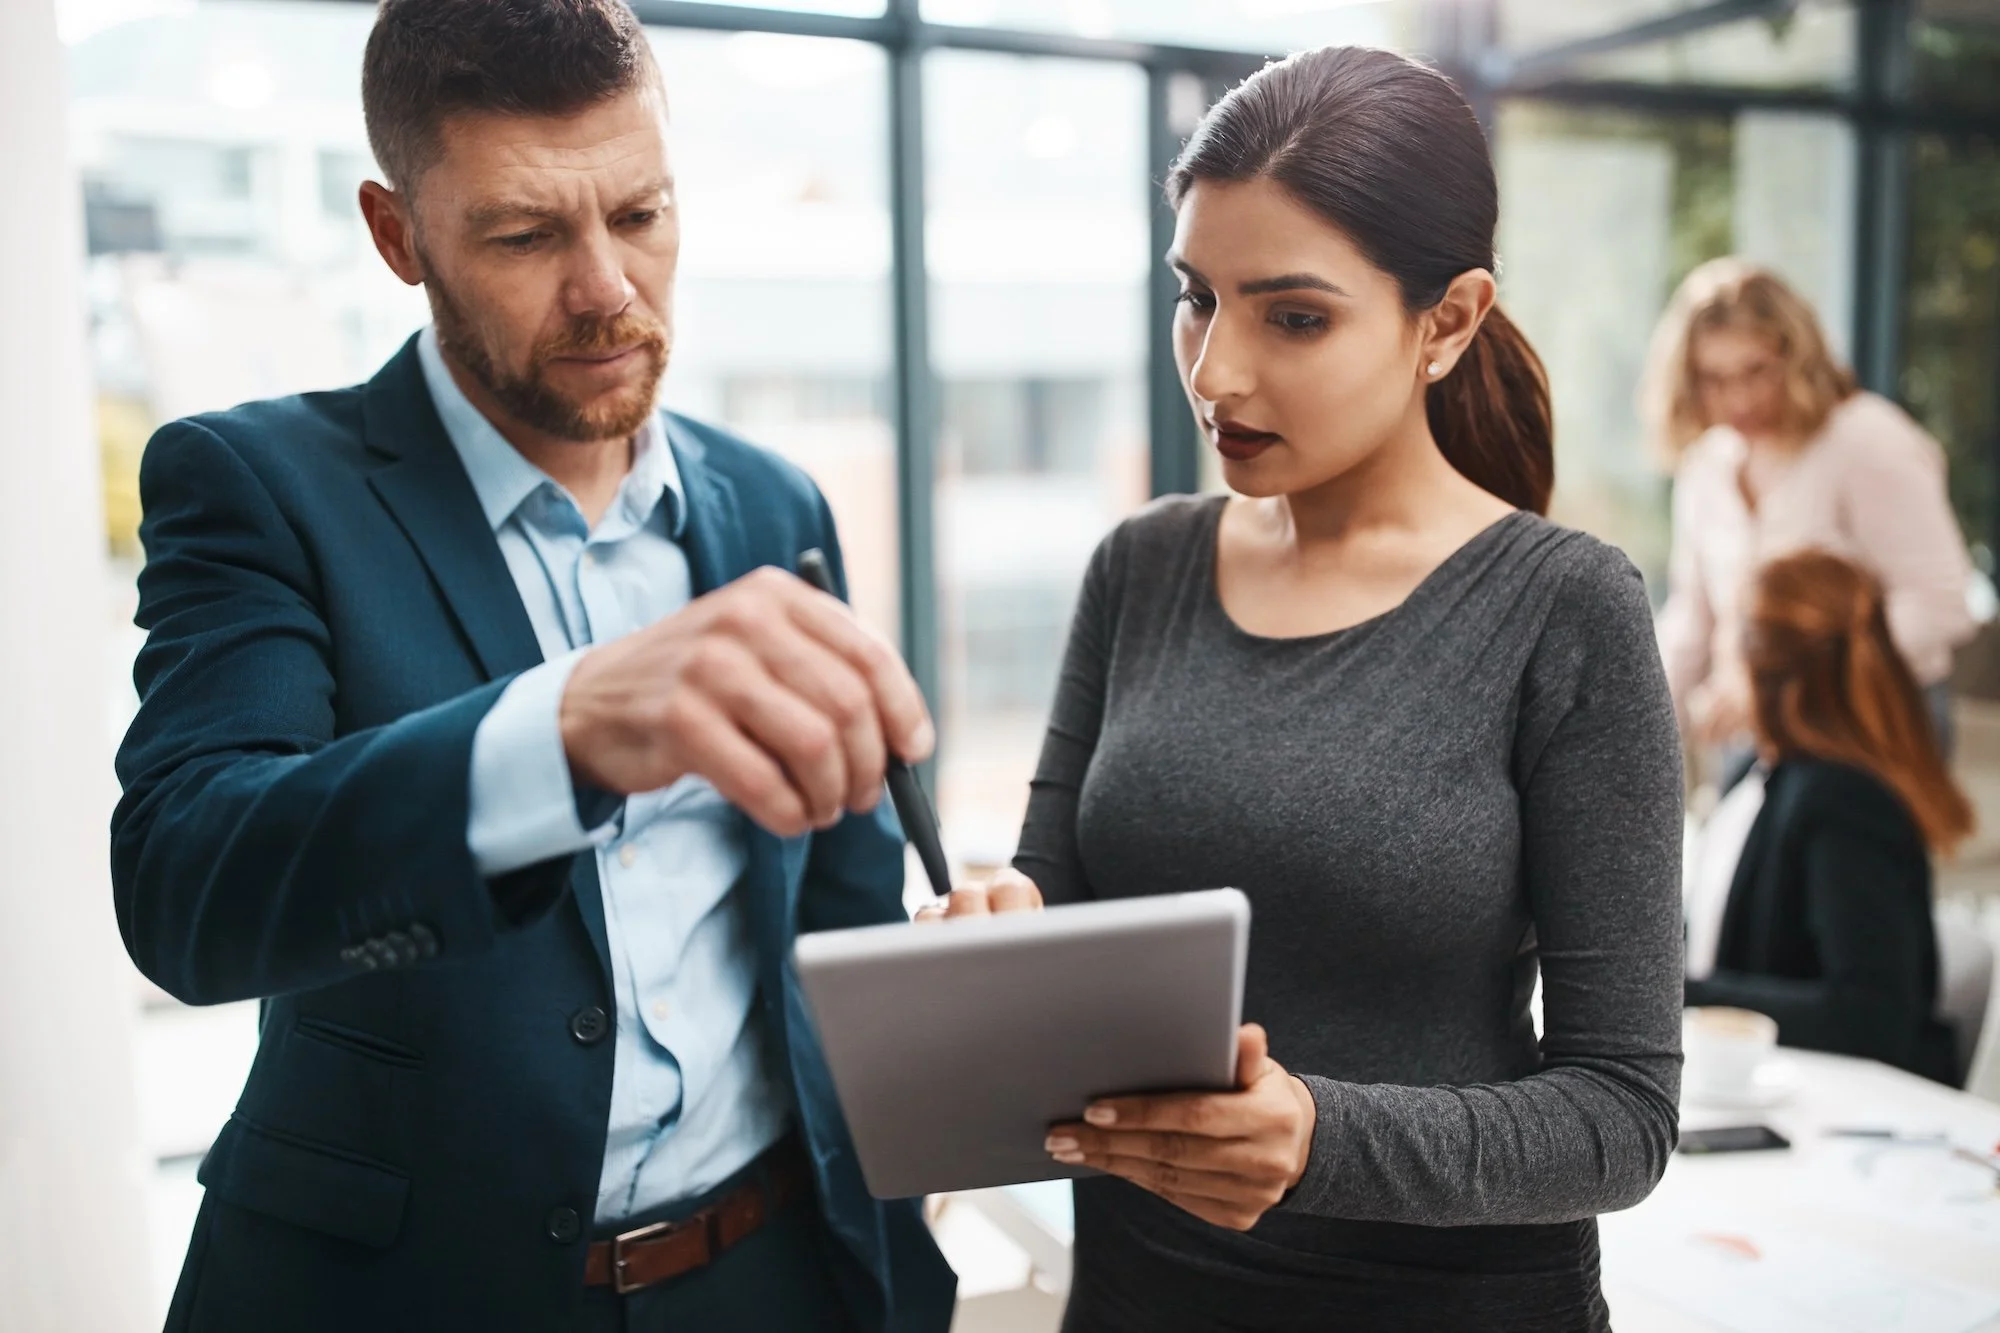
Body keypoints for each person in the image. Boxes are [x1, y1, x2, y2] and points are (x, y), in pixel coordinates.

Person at [108, 2, 954, 1330]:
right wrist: (561, 731)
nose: (607, 286)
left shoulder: (775, 502)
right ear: (400, 237)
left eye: (641, 214)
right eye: (525, 234)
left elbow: (829, 918)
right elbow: (186, 886)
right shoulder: (258, 486)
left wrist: (957, 1003)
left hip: (775, 1273)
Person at [938, 45, 1684, 1333]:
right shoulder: (1141, 564)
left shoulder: (1565, 610)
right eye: (1194, 297)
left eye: (1291, 315)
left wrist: (1316, 1137)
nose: (1215, 371)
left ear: (1443, 321)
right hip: (1137, 1296)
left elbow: (1620, 1114)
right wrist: (998, 942)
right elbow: (1057, 903)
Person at [1646, 259, 1974, 759]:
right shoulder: (1706, 466)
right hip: (1757, 736)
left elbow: (1940, 603)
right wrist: (1641, 723)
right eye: (1713, 378)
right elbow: (1693, 619)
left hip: (1873, 731)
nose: (1737, 398)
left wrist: (1794, 688)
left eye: (1756, 371)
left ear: (1796, 357)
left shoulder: (1866, 440)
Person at [1685, 551, 1971, 1085]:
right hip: (1760, 1085)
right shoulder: (1756, 773)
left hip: (1841, 1106)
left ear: (1755, 656)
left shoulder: (1844, 801)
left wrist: (1681, 995)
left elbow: (1870, 1018)